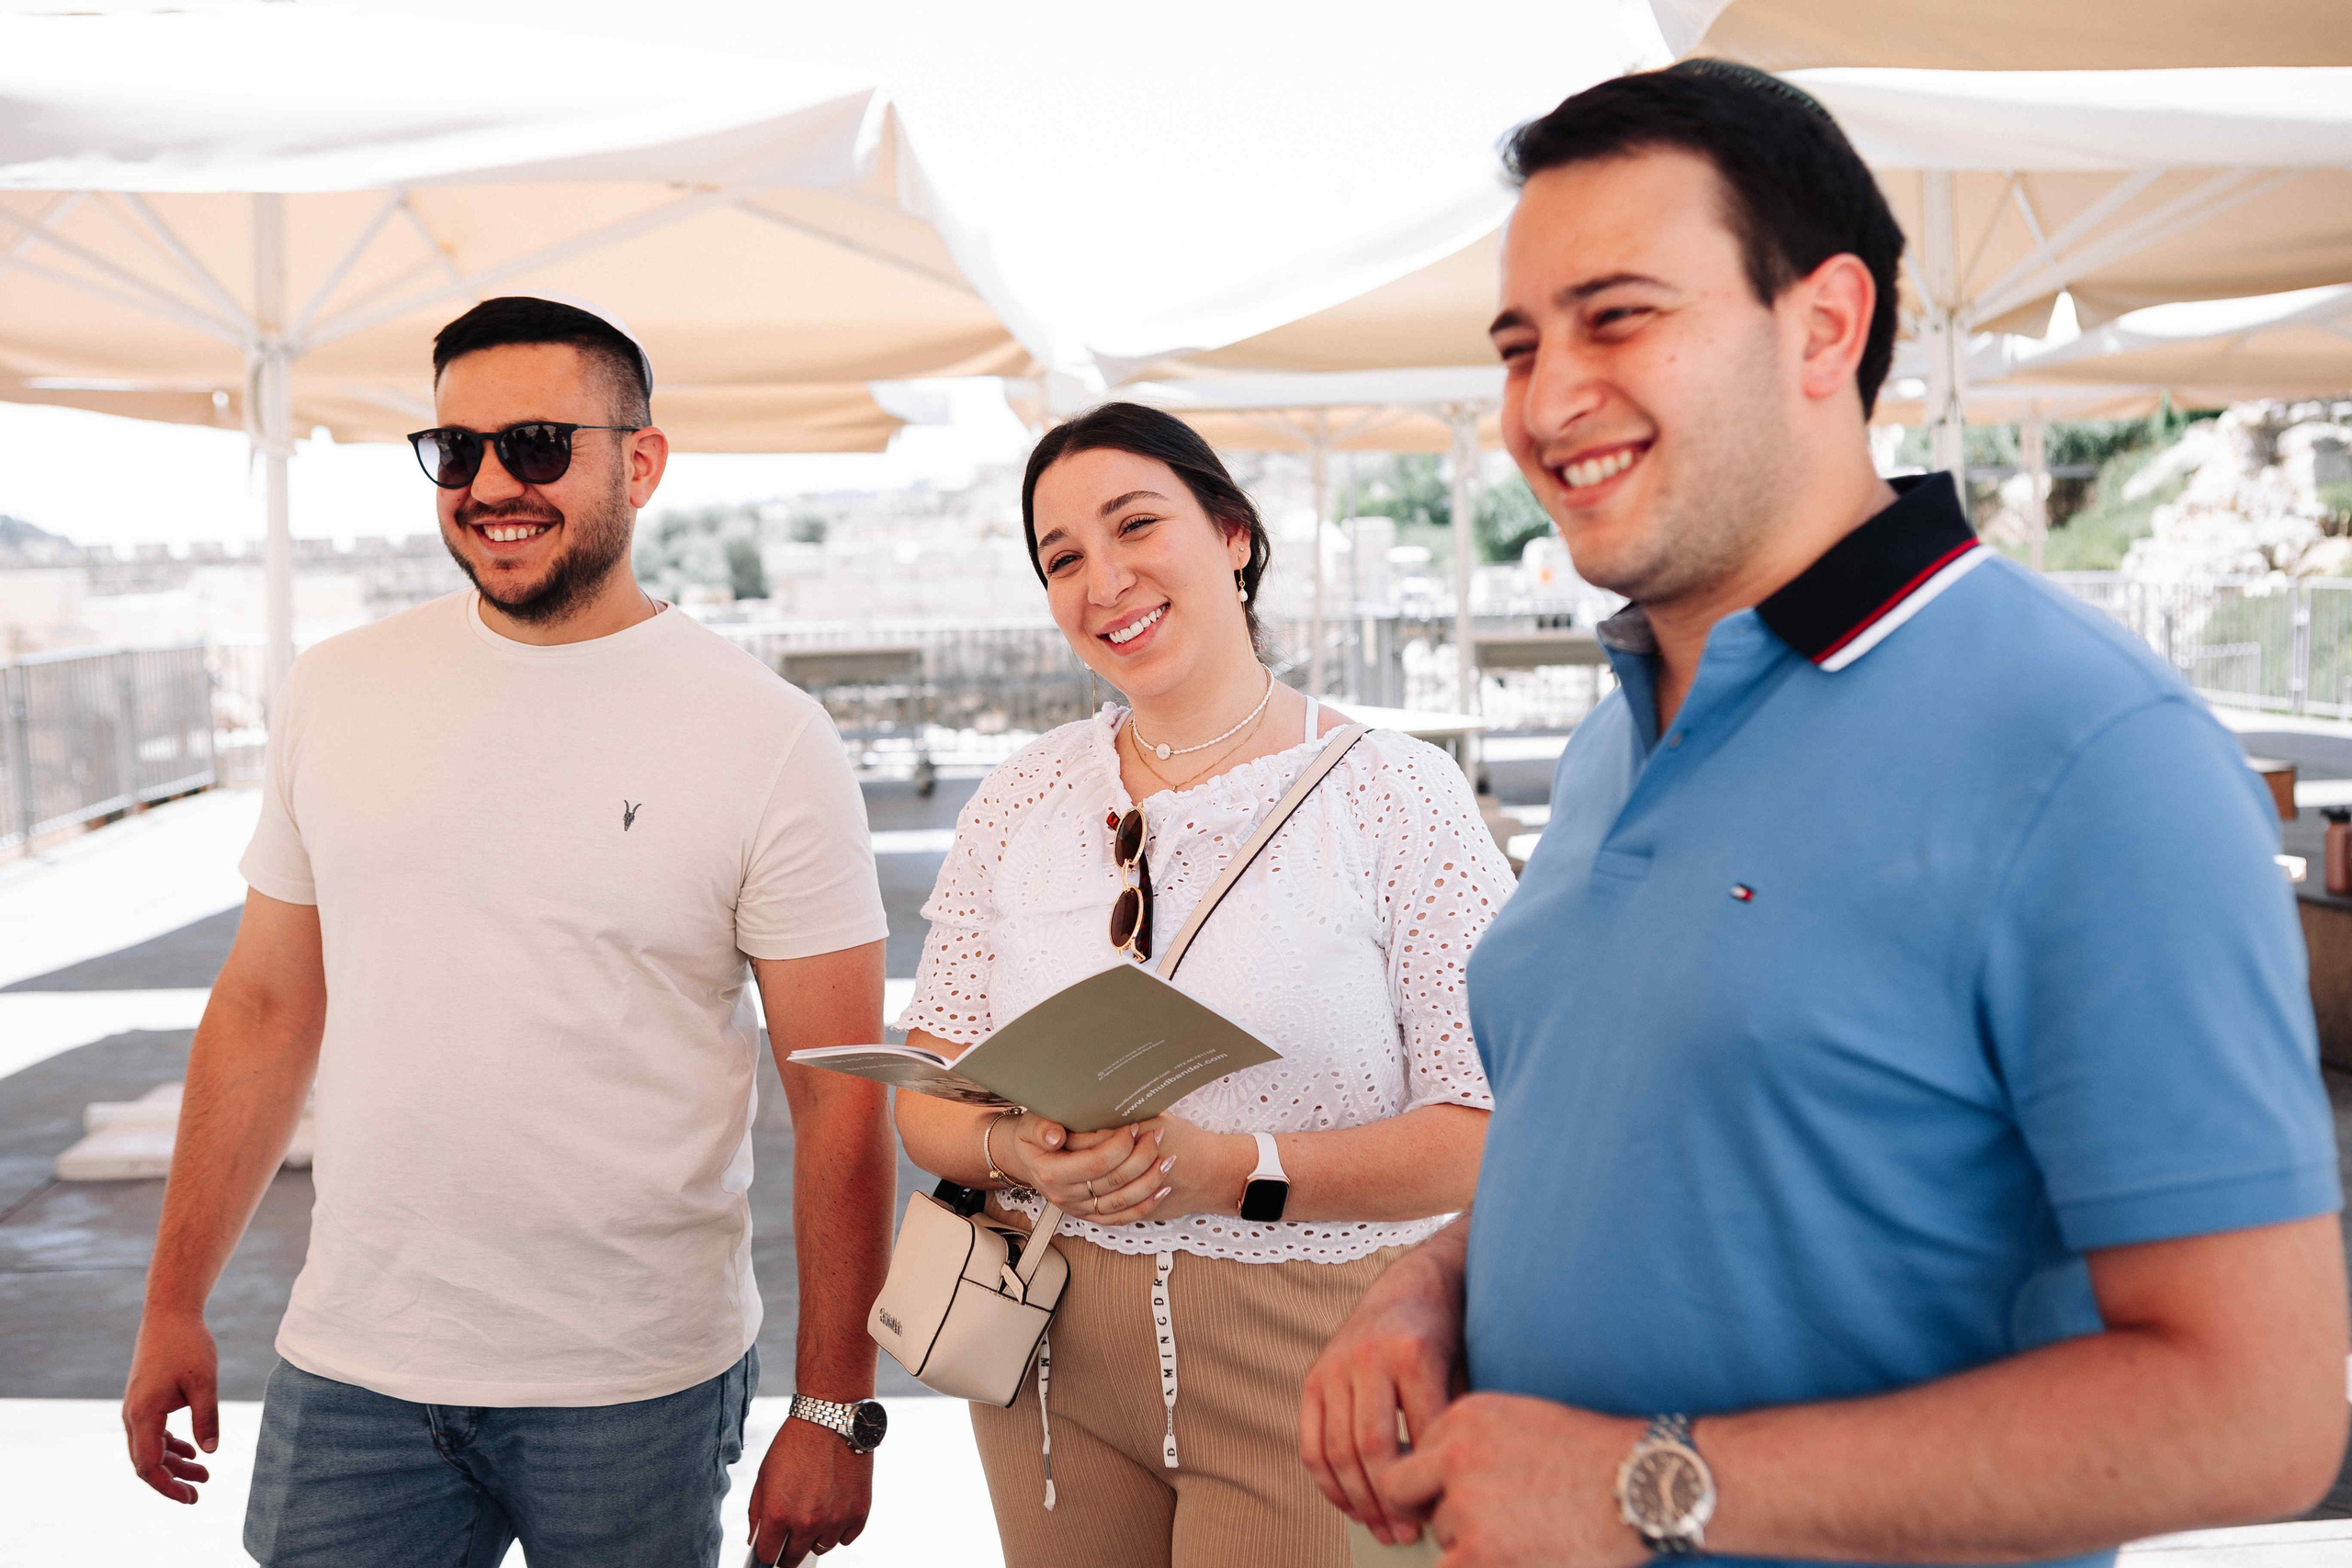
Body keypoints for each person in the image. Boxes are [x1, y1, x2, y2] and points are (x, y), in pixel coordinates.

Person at [1302, 62, 2349, 1568]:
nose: (1542, 402)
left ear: (1826, 326)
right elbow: (1671, 1143)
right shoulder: (1617, 737)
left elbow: (2254, 1409)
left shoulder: (2092, 752)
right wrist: (1435, 1280)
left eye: (1621, 317)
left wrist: (1641, 1483)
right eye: (1520, 344)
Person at [119, 296, 898, 1568]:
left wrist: (832, 1405)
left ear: (640, 463)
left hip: (636, 1382)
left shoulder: (766, 735)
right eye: (454, 449)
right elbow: (267, 1008)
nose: (489, 484)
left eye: (536, 443)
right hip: (354, 1362)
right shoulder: (340, 687)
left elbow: (839, 1098)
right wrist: (170, 1300)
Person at [890, 401, 1516, 1567]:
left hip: (1316, 1359)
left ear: (1231, 532)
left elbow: (1490, 1128)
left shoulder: (1398, 795)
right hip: (1043, 1344)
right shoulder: (1019, 799)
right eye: (1061, 557)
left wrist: (1233, 1170)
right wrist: (1017, 1154)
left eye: (1137, 525)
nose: (1104, 579)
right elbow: (926, 1093)